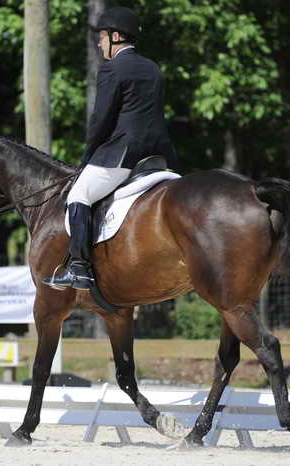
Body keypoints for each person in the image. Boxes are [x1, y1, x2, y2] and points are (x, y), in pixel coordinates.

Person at [42, 6, 177, 291]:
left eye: (102, 37)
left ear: (116, 37)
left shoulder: (113, 68)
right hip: (157, 155)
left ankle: (79, 268)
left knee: (79, 194)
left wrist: (88, 156)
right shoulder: (152, 68)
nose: (99, 44)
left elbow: (101, 119)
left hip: (123, 153)